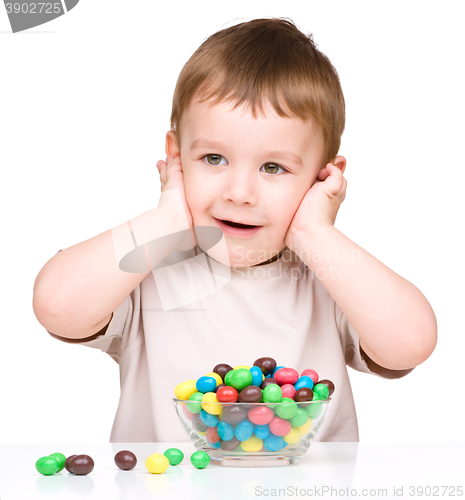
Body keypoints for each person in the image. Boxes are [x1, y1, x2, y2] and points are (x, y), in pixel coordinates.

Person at [32, 18, 437, 442]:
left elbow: (411, 343)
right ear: (177, 157)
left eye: (273, 167)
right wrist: (168, 220)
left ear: (322, 179)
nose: (240, 193)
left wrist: (316, 233)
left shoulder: (331, 276)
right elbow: (56, 305)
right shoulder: (145, 270)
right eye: (213, 159)